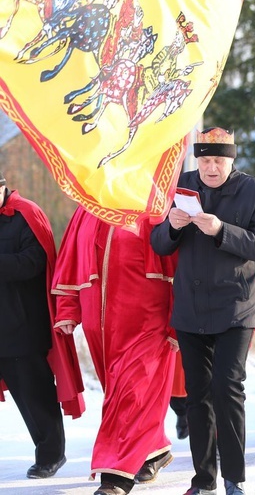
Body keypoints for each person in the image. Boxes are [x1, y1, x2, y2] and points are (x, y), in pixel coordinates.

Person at [151, 127, 255, 495]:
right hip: (190, 310)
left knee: (228, 388)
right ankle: (203, 480)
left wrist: (222, 229)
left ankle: (234, 479)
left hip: (234, 308)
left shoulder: (254, 191)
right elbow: (158, 244)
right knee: (196, 396)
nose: (210, 167)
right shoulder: (182, 186)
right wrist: (171, 227)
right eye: (204, 160)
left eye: (218, 160)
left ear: (231, 160)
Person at [54, 207, 178, 495]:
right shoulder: (87, 208)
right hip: (100, 325)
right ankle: (153, 450)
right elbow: (71, 259)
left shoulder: (155, 206)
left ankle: (114, 476)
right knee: (121, 393)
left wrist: (176, 322)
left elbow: (178, 266)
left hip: (148, 322)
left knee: (132, 393)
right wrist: (68, 307)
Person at [0, 172, 84, 480]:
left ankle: (51, 454)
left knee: (33, 393)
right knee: (24, 395)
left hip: (24, 323)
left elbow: (36, 261)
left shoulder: (27, 213)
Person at [168, 260, 255, 440]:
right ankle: (184, 414)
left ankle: (221, 438)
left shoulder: (243, 233)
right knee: (187, 386)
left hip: (233, 323)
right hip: (190, 322)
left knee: (224, 386)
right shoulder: (182, 233)